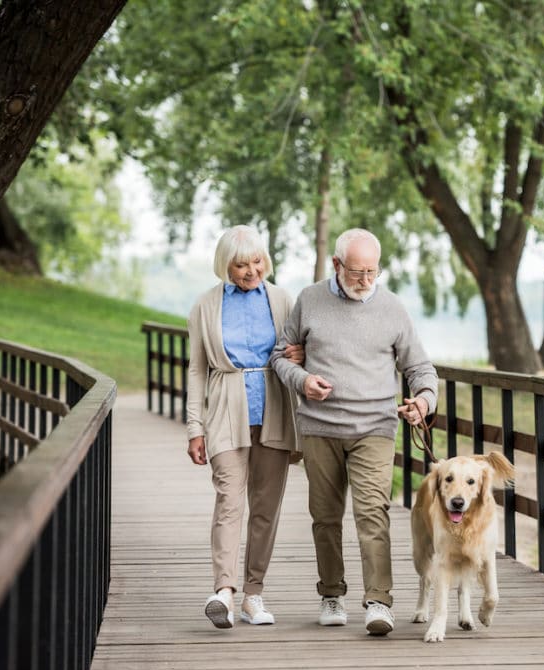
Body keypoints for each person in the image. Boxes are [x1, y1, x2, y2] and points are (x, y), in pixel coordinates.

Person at [270, 227, 438, 636]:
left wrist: (424, 401)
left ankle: (379, 601)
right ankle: (331, 593)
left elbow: (420, 369)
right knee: (325, 517)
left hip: (374, 427)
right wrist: (302, 380)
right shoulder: (310, 300)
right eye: (357, 272)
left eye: (373, 272)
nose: (366, 281)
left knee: (371, 513)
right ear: (337, 265)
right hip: (320, 427)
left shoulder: (393, 308)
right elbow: (280, 356)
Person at [186, 225, 302, 629]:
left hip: (273, 408)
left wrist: (300, 354)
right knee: (229, 502)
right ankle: (224, 592)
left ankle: (254, 594)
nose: (251, 271)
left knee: (266, 508)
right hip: (224, 409)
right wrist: (194, 427)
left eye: (256, 261)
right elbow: (197, 369)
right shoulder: (206, 305)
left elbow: (296, 355)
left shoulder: (283, 299)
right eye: (241, 264)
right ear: (225, 266)